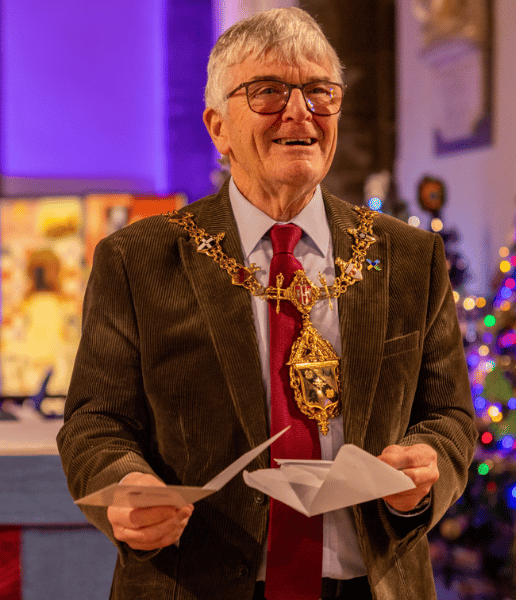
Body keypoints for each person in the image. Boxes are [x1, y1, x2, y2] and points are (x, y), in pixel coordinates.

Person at [57, 7, 477, 600]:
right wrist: (125, 485)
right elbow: (95, 423)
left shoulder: (409, 257)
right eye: (268, 92)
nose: (300, 111)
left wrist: (426, 462)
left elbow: (451, 415)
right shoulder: (140, 260)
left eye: (319, 92)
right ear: (217, 126)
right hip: (198, 582)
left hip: (369, 584)